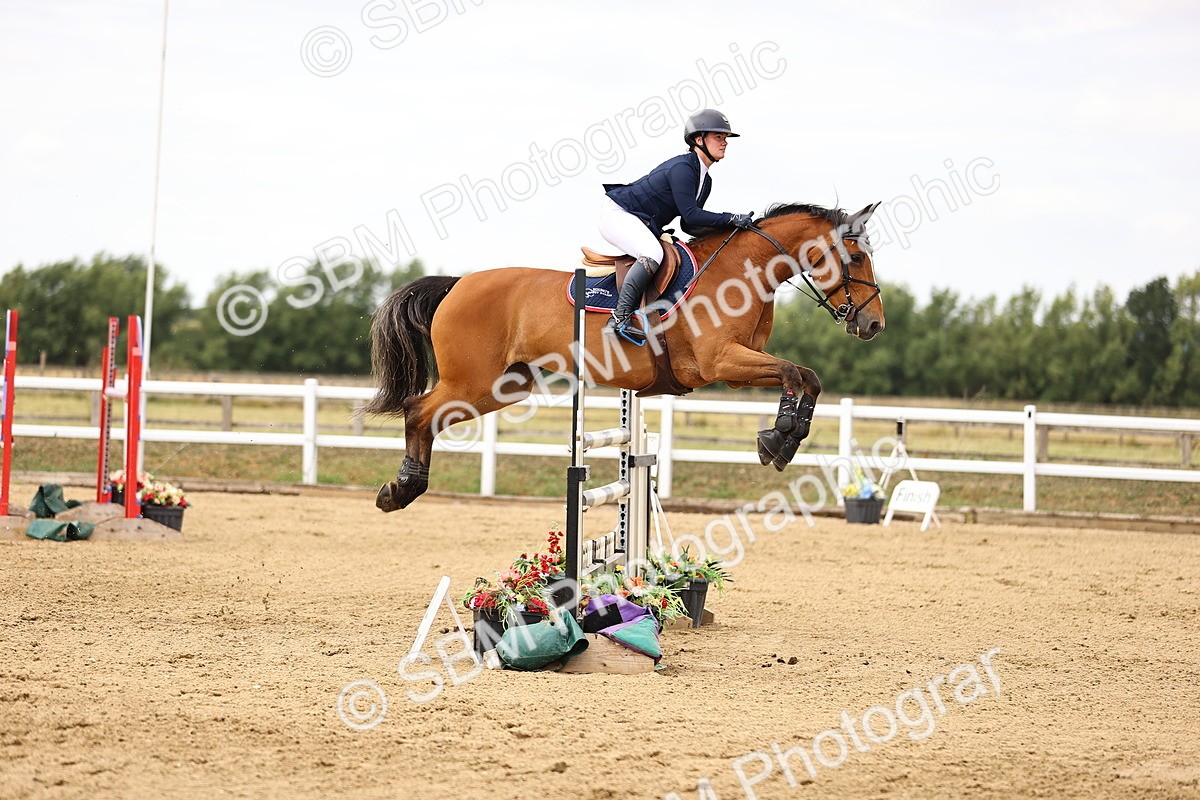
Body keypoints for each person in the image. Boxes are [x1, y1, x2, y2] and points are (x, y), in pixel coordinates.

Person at [598, 108, 755, 345]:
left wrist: (729, 232)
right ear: (698, 139)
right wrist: (730, 217)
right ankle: (619, 318)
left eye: (725, 138)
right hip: (618, 214)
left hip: (637, 219)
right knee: (653, 253)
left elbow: (689, 223)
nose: (724, 143)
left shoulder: (705, 179)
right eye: (718, 137)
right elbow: (692, 214)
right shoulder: (684, 169)